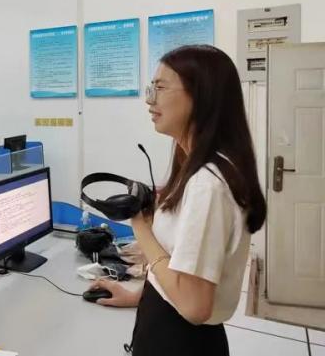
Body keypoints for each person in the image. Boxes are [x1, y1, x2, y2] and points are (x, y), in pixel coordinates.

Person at [88, 45, 267, 356]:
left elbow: (194, 305)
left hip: (180, 339)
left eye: (160, 88)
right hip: (164, 319)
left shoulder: (207, 185)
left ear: (200, 96)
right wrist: (138, 296)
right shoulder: (202, 168)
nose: (149, 99)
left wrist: (140, 227)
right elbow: (179, 267)